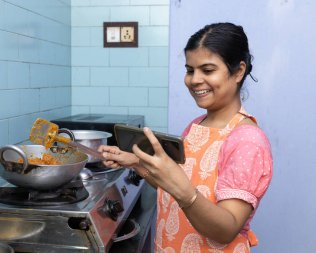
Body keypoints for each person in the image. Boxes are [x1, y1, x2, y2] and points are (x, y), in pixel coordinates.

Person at [98, 22, 273, 252]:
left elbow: (226, 229)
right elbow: (171, 183)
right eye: (190, 70)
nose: (194, 80)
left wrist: (184, 192)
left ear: (238, 71)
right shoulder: (196, 125)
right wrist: (135, 162)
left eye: (208, 70)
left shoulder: (248, 140)